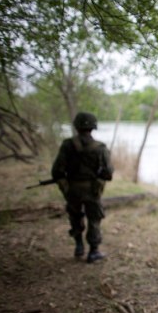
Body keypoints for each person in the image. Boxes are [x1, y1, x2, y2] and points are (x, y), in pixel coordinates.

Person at [52, 112, 114, 263]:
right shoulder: (100, 148)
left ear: (76, 126)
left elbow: (56, 171)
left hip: (72, 189)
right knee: (94, 219)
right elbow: (108, 172)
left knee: (75, 216)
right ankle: (93, 252)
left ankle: (79, 246)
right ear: (93, 127)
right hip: (92, 190)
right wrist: (99, 179)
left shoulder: (67, 145)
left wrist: (64, 184)